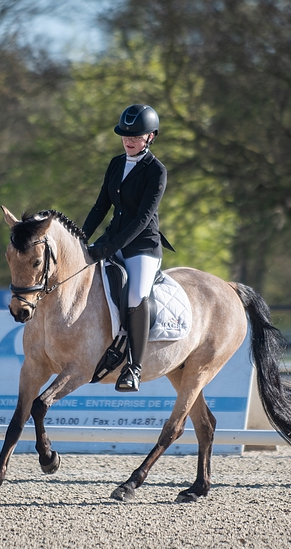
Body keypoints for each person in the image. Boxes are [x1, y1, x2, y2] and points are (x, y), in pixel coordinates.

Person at [83, 104, 173, 392]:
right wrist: (80, 240)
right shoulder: (115, 163)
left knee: (135, 296)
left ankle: (133, 368)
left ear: (151, 137)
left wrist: (109, 248)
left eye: (135, 136)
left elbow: (142, 219)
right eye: (125, 135)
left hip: (142, 247)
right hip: (113, 239)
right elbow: (101, 206)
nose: (128, 140)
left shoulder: (156, 171)